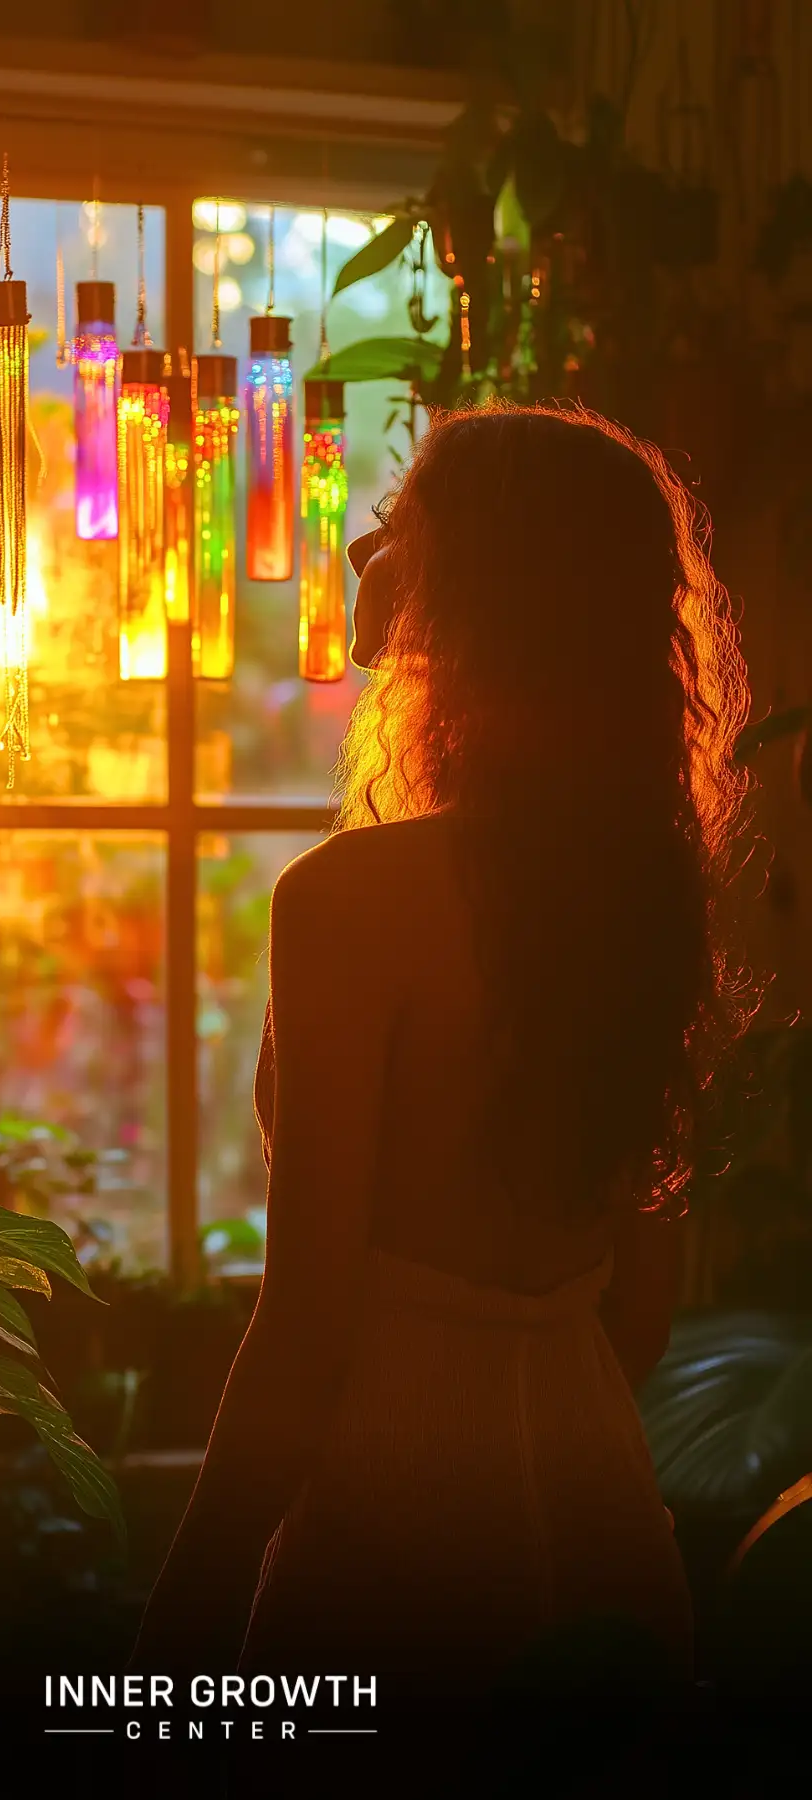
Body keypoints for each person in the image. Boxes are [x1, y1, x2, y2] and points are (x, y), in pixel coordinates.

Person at [130, 402, 754, 1709]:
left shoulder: (350, 902)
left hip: (390, 1502)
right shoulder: (651, 900)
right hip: (590, 1491)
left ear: (481, 589)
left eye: (402, 526)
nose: (369, 553)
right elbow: (639, 1307)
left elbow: (304, 1325)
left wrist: (173, 1632)